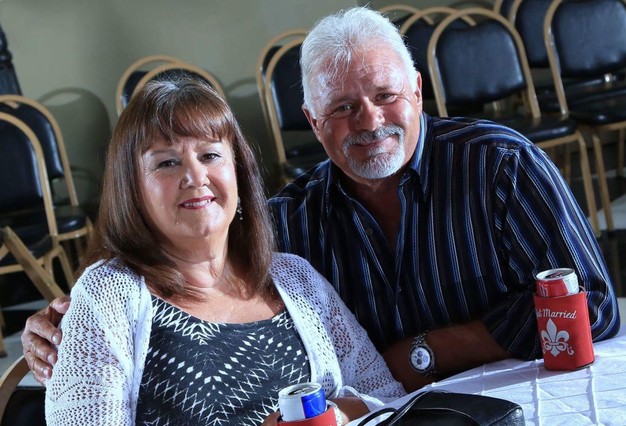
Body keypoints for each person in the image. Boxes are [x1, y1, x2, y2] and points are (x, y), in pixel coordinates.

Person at [23, 7, 620, 393]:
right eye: (343, 107)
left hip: (534, 389)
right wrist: (63, 327)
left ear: (417, 91)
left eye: (385, 96)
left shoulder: (501, 166)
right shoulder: (291, 223)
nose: (371, 122)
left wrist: (428, 351)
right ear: (312, 120)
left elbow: (593, 305)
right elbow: (184, 255)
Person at [42, 77, 405, 425]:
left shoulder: (296, 278)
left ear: (239, 173)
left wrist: (334, 416)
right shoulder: (106, 297)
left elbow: (386, 397)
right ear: (132, 189)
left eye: (210, 155)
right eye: (167, 162)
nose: (195, 177)